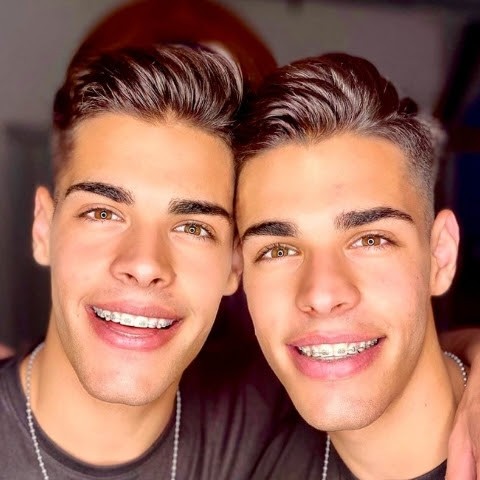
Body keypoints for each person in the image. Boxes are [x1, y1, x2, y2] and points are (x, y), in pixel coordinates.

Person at [0, 43, 292, 479]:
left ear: (236, 263)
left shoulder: (278, 433)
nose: (144, 264)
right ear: (43, 228)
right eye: (103, 213)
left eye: (192, 227)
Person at [234, 52, 480, 479]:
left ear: (440, 255)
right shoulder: (239, 441)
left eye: (370, 240)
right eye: (278, 250)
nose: (322, 294)